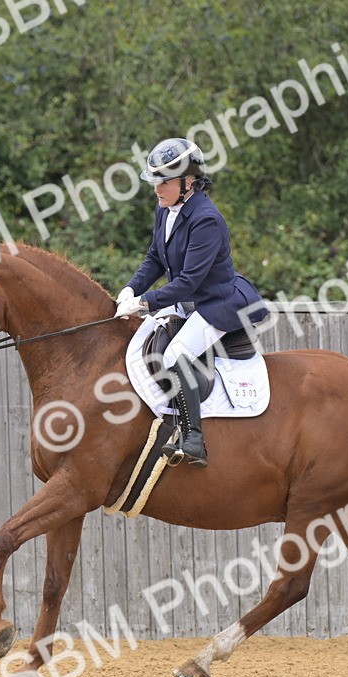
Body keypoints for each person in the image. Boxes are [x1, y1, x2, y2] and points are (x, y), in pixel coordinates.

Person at [114, 137, 268, 468]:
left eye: (165, 181)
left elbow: (188, 283)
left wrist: (145, 301)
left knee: (174, 355)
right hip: (189, 301)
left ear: (189, 181)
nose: (157, 188)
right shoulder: (164, 208)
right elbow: (155, 258)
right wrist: (130, 288)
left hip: (216, 303)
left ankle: (194, 439)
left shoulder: (206, 219)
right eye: (155, 180)